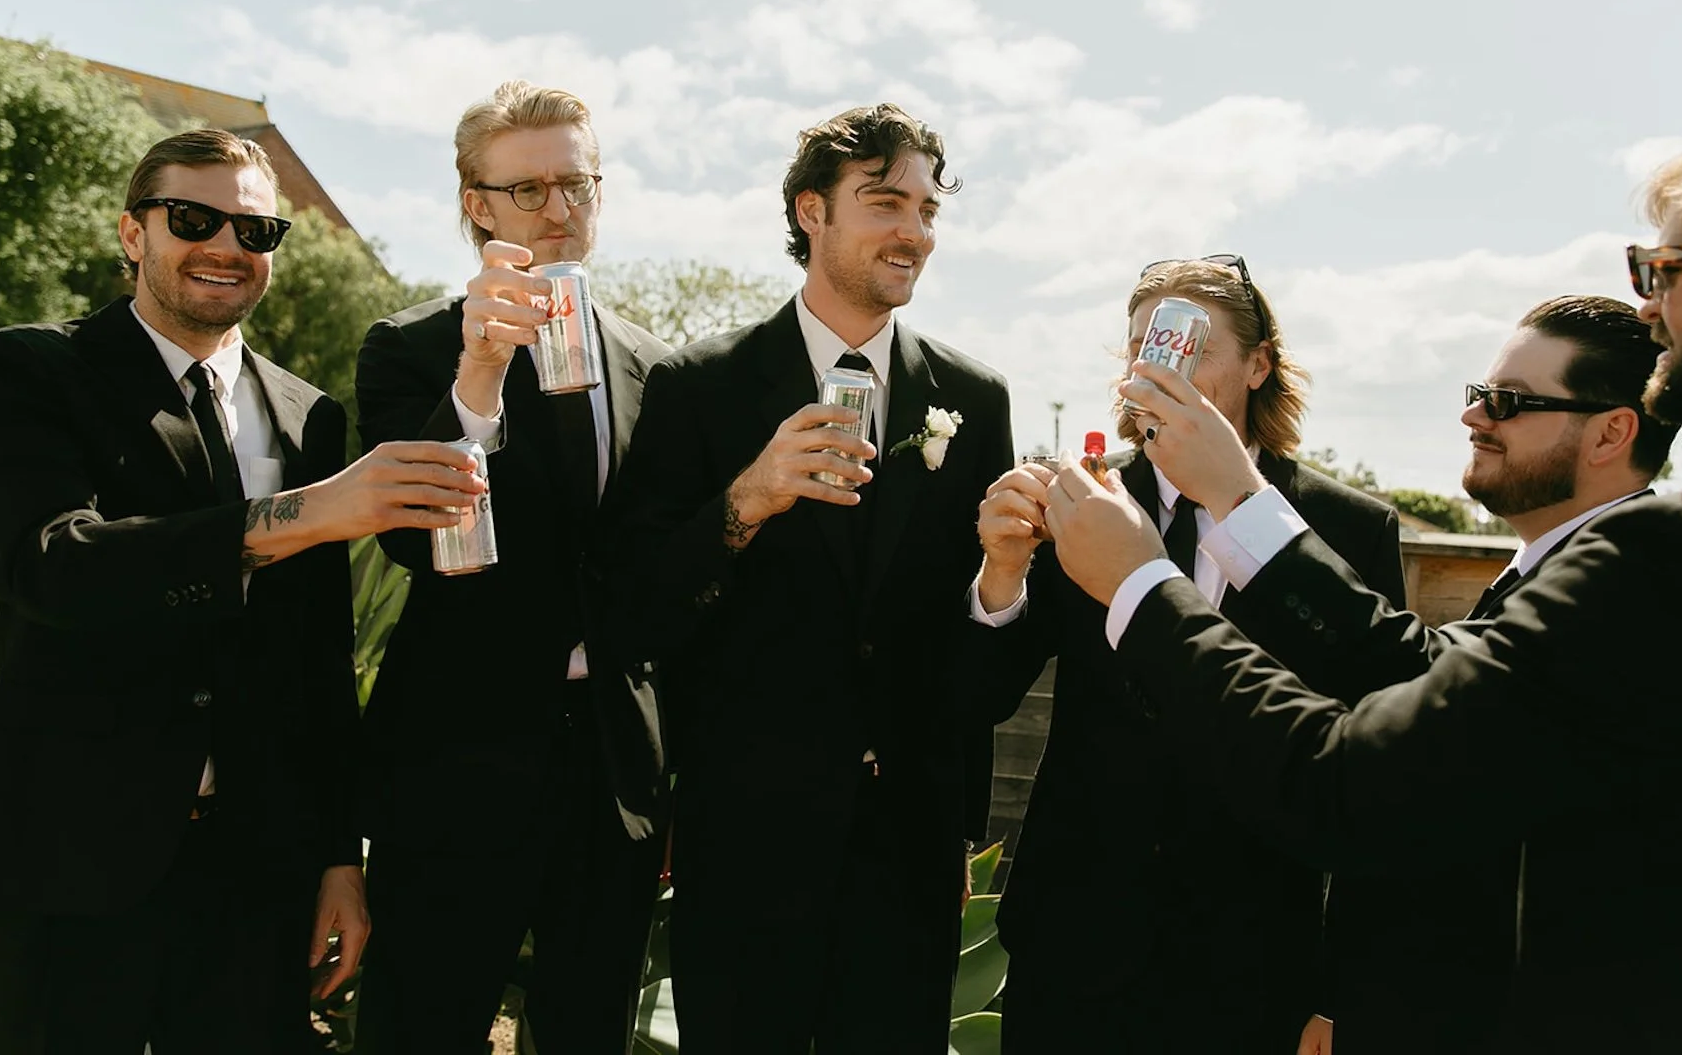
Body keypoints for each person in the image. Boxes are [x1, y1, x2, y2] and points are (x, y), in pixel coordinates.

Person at [1040, 80, 1682, 1050]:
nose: (1654, 308)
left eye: (1668, 268)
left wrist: (1138, 583)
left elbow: (1361, 781)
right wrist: (1245, 506)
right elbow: (1426, 670)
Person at [0, 128, 483, 1053]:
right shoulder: (25, 369)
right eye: (194, 218)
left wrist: (339, 860)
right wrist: (307, 513)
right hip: (61, 864)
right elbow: (57, 565)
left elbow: (315, 662)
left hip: (252, 879)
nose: (227, 247)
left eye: (256, 231)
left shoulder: (310, 415)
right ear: (132, 233)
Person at [608, 104, 1013, 1054]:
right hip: (743, 837)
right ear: (810, 213)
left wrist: (959, 822)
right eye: (883, 202)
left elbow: (967, 631)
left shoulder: (976, 398)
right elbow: (636, 608)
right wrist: (742, 503)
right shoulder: (699, 385)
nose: (913, 229)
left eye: (926, 208)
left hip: (909, 848)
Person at [967, 256, 1405, 1054]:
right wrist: (1000, 573)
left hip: (1255, 960)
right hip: (1076, 946)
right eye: (1145, 347)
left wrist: (1342, 993)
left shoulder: (1347, 529)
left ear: (1260, 364)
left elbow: (1384, 762)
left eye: (1189, 345)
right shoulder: (1083, 498)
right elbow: (983, 693)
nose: (1161, 367)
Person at [353, 82, 669, 1054]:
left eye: (578, 182)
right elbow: (416, 539)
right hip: (455, 768)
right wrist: (479, 374)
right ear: (476, 201)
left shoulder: (661, 370)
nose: (561, 210)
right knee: (420, 1025)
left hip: (614, 783)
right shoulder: (408, 349)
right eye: (529, 188)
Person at [1317, 294, 1675, 1055]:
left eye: (1508, 402)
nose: (1474, 417)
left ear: (1613, 430)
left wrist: (1239, 508)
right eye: (1479, 395)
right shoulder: (1540, 568)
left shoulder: (1615, 594)